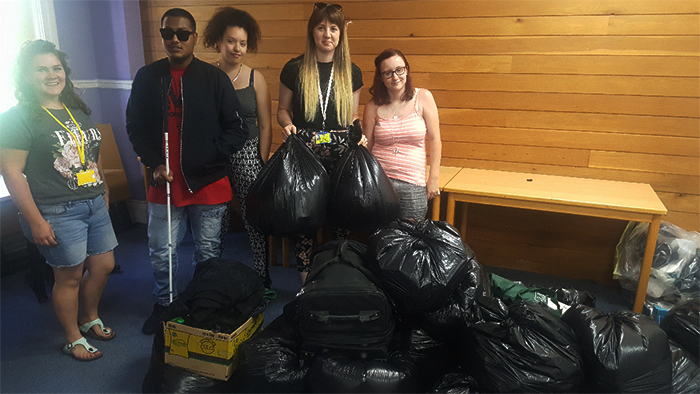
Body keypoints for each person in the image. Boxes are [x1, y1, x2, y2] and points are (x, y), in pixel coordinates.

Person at [126, 8, 248, 335]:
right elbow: (134, 127)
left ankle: (201, 304)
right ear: (162, 36)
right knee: (161, 250)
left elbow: (237, 130)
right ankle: (165, 304)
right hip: (163, 182)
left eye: (182, 34)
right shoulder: (147, 77)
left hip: (207, 182)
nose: (175, 40)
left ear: (194, 37)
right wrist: (153, 161)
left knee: (208, 251)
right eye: (168, 34)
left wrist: (207, 157)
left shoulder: (214, 79)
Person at [0, 40, 117, 361]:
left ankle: (89, 315)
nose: (52, 74)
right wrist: (36, 220)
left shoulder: (75, 110)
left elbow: (92, 154)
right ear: (25, 76)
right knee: (70, 277)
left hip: (93, 201)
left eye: (56, 67)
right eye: (41, 69)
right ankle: (72, 336)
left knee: (104, 265)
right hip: (57, 209)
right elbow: (11, 173)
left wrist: (103, 186)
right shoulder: (16, 118)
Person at [276, 2, 363, 284]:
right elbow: (282, 110)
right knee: (305, 219)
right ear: (312, 31)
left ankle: (338, 276)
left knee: (341, 218)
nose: (328, 34)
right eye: (321, 27)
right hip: (305, 152)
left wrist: (357, 133)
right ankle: (305, 283)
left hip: (339, 154)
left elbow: (351, 117)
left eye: (334, 28)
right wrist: (287, 125)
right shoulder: (294, 68)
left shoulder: (352, 72)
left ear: (341, 34)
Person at [202, 7, 274, 295]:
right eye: (231, 41)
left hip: (248, 153)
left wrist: (261, 161)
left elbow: (266, 126)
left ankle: (262, 276)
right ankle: (211, 273)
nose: (237, 48)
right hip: (216, 155)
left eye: (243, 43)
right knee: (215, 217)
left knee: (252, 217)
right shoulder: (205, 74)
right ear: (219, 41)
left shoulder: (256, 78)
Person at [362, 48, 442, 220]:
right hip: (380, 183)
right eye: (388, 73)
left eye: (399, 70)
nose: (395, 77)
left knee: (411, 238)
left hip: (413, 183)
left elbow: (435, 139)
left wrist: (433, 178)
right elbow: (367, 147)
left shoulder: (423, 97)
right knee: (382, 238)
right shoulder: (372, 106)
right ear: (381, 78)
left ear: (407, 69)